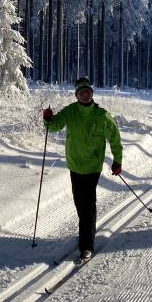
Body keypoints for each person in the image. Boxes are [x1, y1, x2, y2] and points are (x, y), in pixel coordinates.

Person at [42, 77, 123, 261]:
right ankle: (86, 232)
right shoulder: (70, 112)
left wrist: (117, 161)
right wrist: (48, 119)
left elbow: (115, 139)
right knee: (80, 203)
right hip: (75, 165)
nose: (85, 95)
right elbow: (54, 126)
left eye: (88, 92)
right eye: (82, 92)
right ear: (77, 95)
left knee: (88, 204)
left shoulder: (102, 115)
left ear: (92, 94)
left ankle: (86, 245)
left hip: (93, 167)